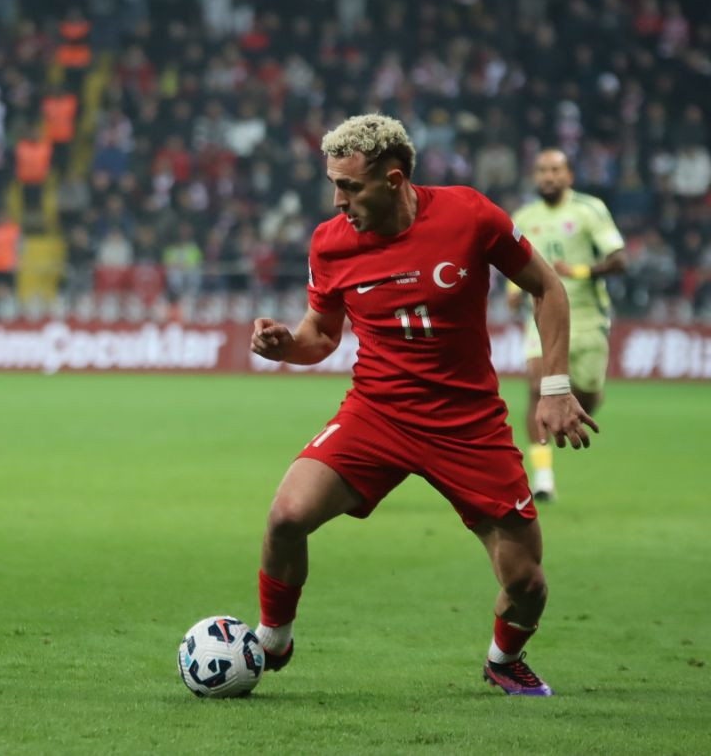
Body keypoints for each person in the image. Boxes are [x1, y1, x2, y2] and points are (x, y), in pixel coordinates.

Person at [249, 114, 597, 697]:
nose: (338, 201)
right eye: (333, 185)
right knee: (286, 517)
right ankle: (271, 638)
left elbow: (547, 288)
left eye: (350, 187)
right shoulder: (329, 243)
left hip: (468, 425)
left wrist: (557, 388)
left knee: (527, 583)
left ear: (393, 178)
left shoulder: (469, 216)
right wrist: (288, 345)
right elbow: (322, 335)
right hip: (377, 413)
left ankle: (502, 659)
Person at [508, 149, 626, 501]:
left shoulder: (589, 210)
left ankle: (586, 397)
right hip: (541, 312)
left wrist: (581, 272)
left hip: (587, 317)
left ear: (569, 176)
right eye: (542, 170)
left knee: (586, 394)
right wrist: (514, 290)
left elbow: (619, 260)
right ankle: (543, 477)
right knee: (536, 385)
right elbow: (516, 263)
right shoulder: (524, 216)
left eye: (556, 170)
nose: (548, 176)